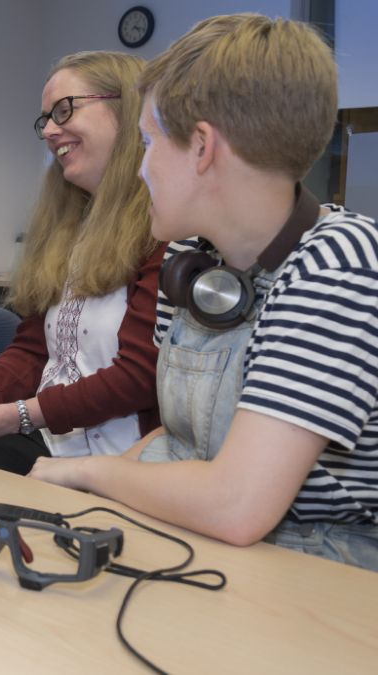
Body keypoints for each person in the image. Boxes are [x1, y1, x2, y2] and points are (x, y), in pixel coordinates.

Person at [29, 14, 378, 571]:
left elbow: (238, 505)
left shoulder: (337, 262)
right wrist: (94, 503)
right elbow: (179, 434)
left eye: (147, 143)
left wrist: (84, 473)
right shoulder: (190, 258)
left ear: (201, 147)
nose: (139, 169)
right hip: (206, 534)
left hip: (322, 566)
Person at [0, 51, 164, 475]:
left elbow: (141, 375)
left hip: (126, 463)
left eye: (65, 109)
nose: (50, 130)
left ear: (125, 111)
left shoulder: (165, 230)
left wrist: (15, 415)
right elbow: (35, 350)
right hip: (53, 445)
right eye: (45, 118)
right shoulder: (70, 229)